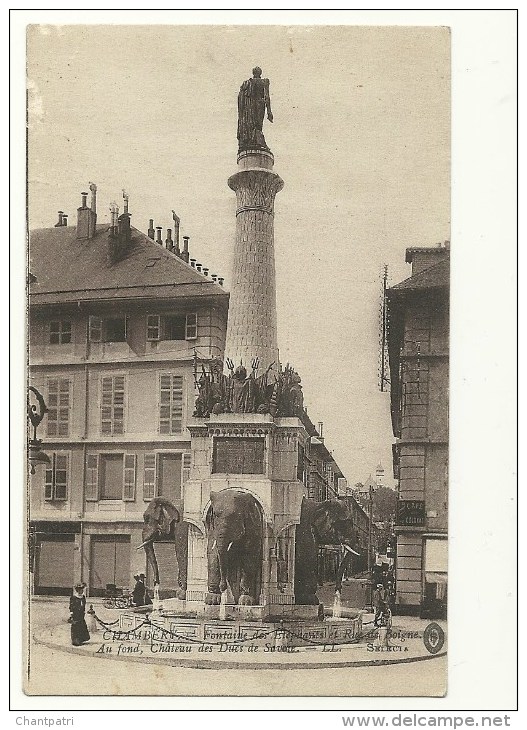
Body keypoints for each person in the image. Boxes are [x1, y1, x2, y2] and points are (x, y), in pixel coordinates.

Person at [237, 67, 273, 152]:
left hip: (249, 106)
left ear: (253, 73)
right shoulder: (264, 82)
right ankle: (257, 141)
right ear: (260, 73)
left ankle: (251, 141)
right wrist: (269, 111)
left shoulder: (246, 83)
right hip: (260, 104)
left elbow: (240, 98)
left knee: (251, 124)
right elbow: (267, 97)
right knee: (258, 125)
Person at [69, 582, 90, 646]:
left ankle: (81, 639)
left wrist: (83, 611)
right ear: (77, 590)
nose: (81, 591)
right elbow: (71, 606)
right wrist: (71, 613)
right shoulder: (74, 597)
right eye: (80, 590)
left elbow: (83, 604)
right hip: (75, 614)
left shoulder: (83, 597)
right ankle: (75, 640)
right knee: (76, 627)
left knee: (81, 626)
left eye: (82, 590)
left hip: (81, 614)